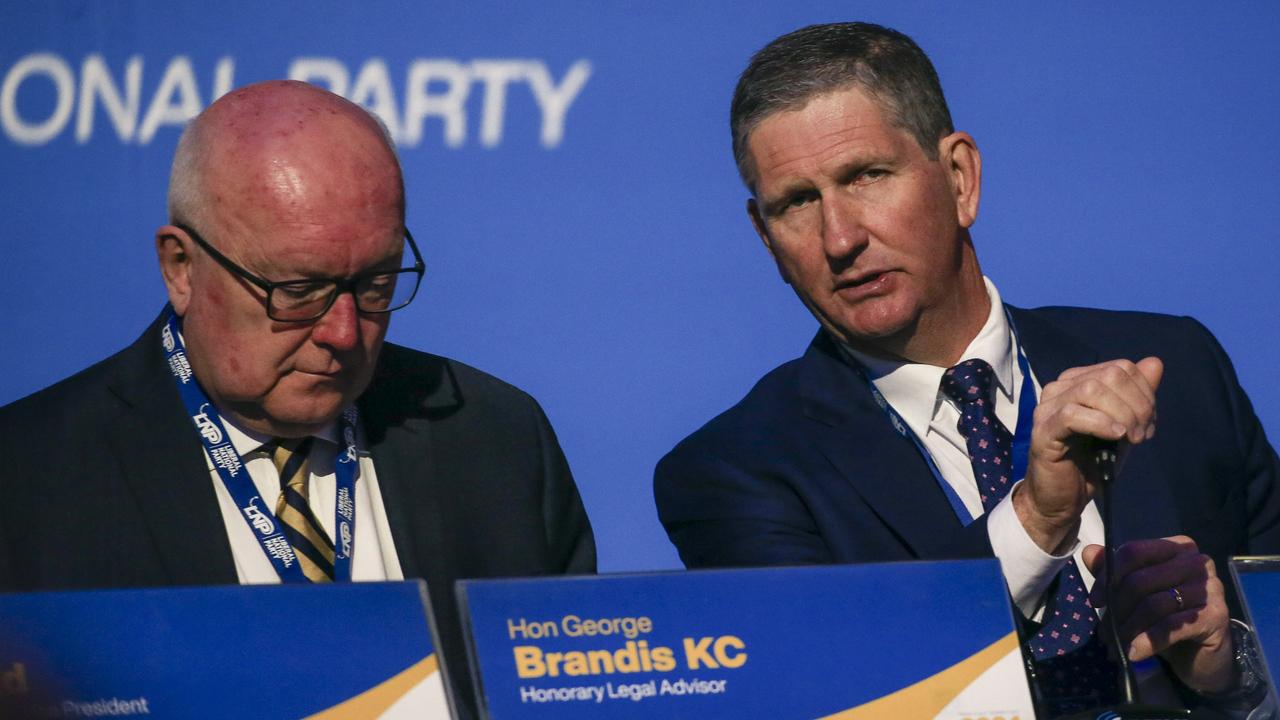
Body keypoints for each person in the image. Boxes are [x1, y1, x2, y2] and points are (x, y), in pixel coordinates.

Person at [654, 22, 1280, 718]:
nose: (840, 238)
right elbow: (840, 691)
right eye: (797, 203)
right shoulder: (732, 471)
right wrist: (1035, 520)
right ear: (765, 238)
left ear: (959, 178)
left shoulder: (1180, 368)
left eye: (866, 176)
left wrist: (1233, 672)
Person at [0, 80, 594, 719]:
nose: (342, 333)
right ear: (181, 267)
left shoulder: (495, 437)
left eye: (375, 283)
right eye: (299, 289)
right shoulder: (29, 477)